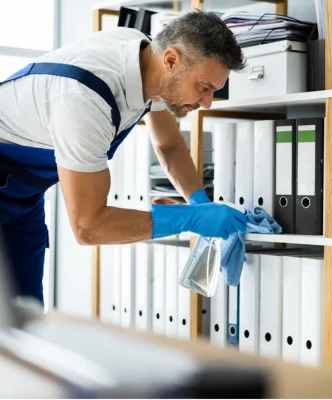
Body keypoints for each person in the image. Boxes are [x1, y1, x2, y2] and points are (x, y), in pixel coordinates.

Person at [0, 10, 247, 303]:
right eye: (203, 87)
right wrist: (190, 218)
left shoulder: (148, 61)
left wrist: (199, 200)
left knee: (24, 318)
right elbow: (88, 227)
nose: (206, 103)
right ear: (171, 60)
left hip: (23, 196)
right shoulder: (84, 99)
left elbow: (168, 145)